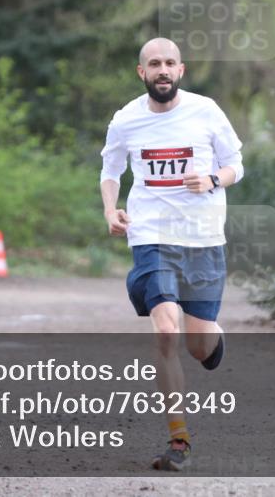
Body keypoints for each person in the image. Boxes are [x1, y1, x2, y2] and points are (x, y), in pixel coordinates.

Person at [100, 37, 243, 471]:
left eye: (170, 63)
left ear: (181, 70)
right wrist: (110, 208)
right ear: (141, 72)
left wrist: (214, 180)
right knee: (166, 328)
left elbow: (236, 164)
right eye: (154, 64)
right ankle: (178, 438)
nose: (162, 70)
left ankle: (212, 340)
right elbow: (110, 171)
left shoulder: (206, 110)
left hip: (202, 239)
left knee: (199, 346)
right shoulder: (126, 120)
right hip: (151, 236)